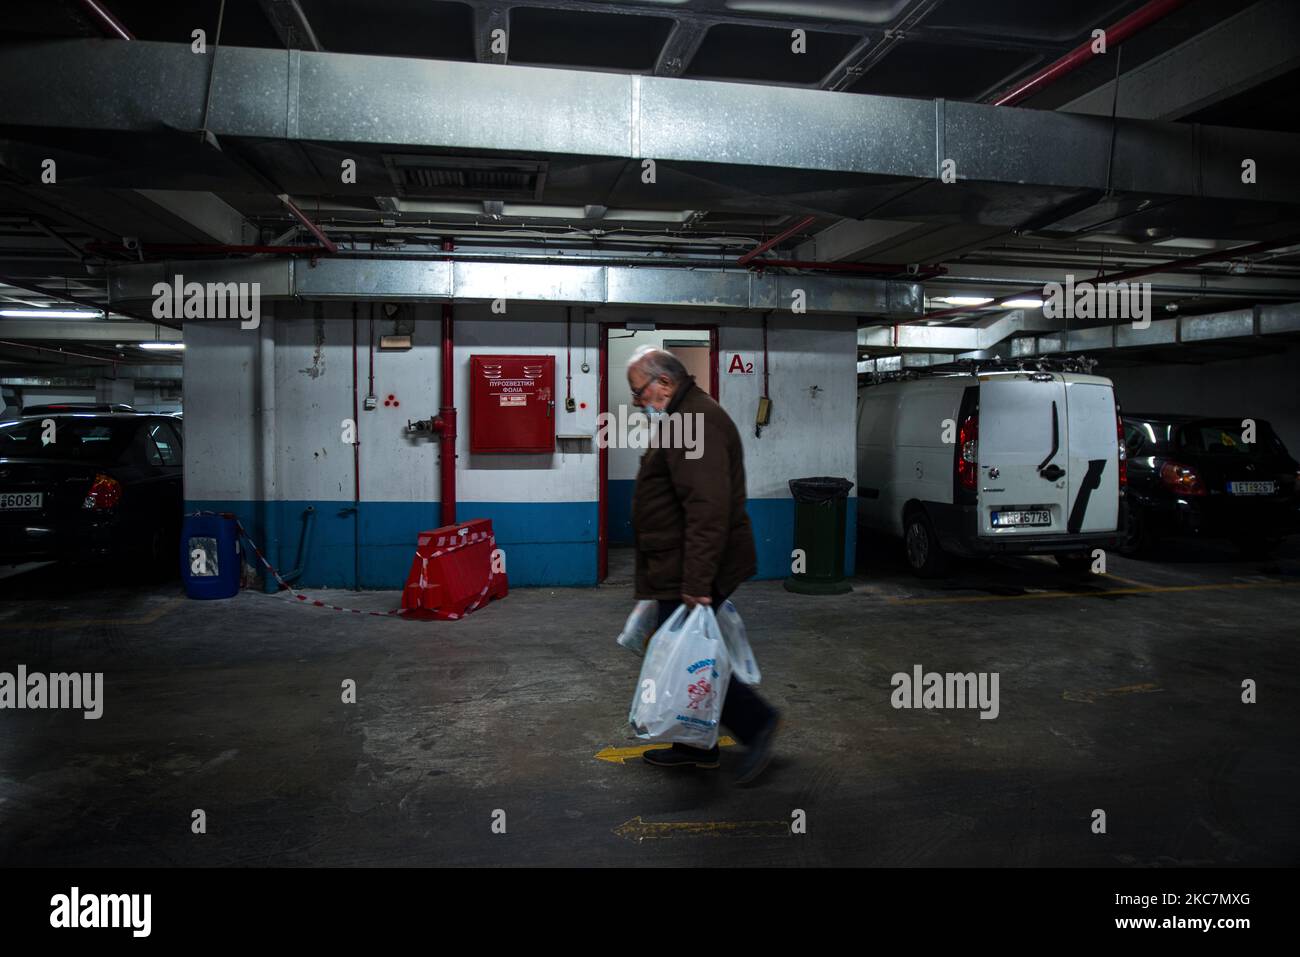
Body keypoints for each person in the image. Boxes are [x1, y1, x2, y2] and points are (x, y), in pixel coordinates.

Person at [626, 346, 780, 785]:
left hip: (692, 567)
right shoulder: (684, 416)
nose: (637, 402)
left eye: (639, 392)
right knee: (684, 652)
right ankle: (696, 745)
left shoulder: (695, 421)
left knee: (693, 657)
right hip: (678, 562)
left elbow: (708, 509)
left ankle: (758, 723)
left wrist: (696, 582)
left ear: (665, 384)